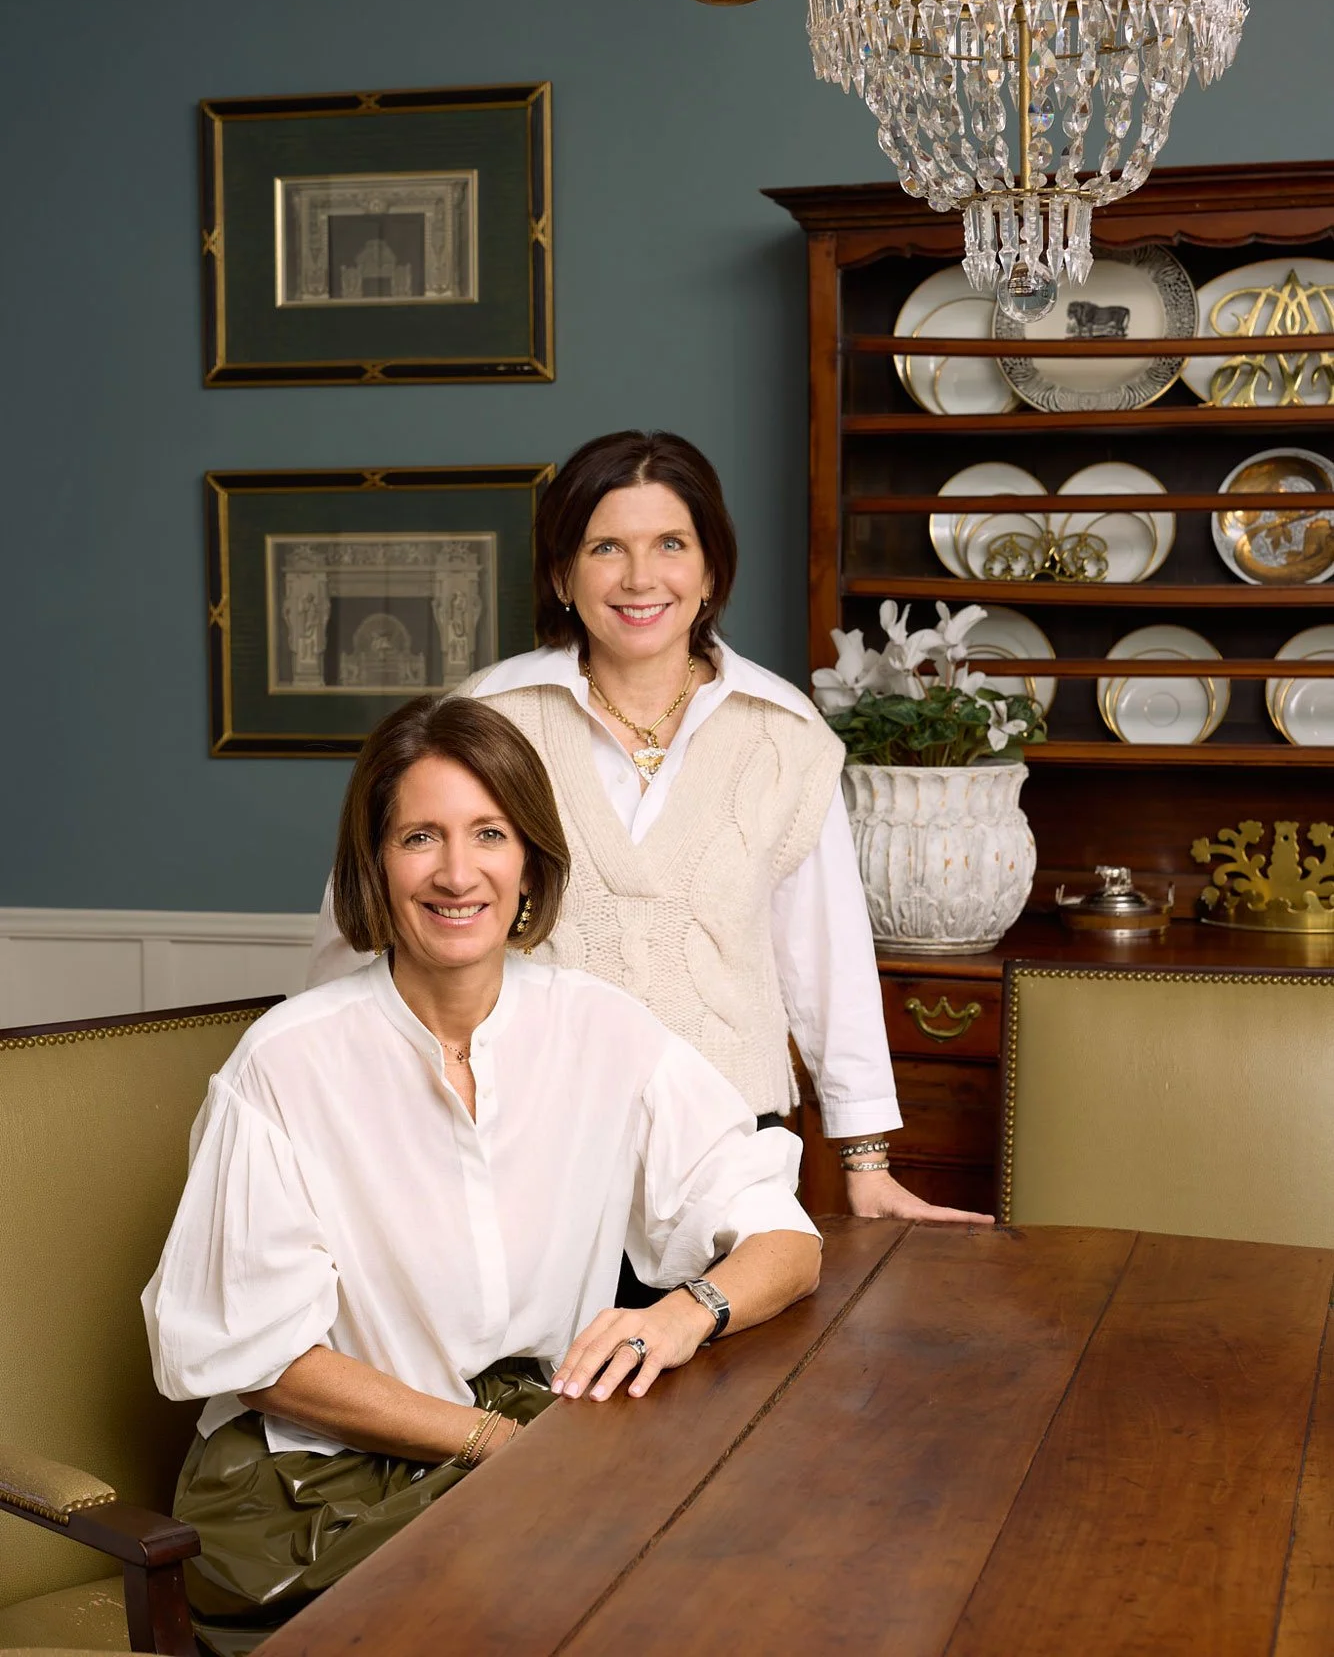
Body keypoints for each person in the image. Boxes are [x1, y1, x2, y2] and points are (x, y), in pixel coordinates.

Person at [143, 696, 821, 1657]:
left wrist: (682, 1312)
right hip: (311, 1489)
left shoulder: (602, 1029)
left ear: (530, 862)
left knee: (736, 1581)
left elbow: (784, 1239)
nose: (458, 874)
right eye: (421, 836)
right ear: (376, 863)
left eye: (489, 834)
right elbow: (263, 1361)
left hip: (525, 1453)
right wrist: (496, 1448)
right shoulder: (285, 1064)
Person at [309, 429, 990, 1232]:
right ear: (563, 573)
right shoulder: (486, 719)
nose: (640, 578)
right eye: (606, 547)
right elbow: (357, 931)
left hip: (729, 1153)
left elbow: (825, 963)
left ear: (710, 570)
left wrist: (866, 1163)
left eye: (671, 543)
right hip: (522, 1153)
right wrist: (337, 1126)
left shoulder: (786, 735)